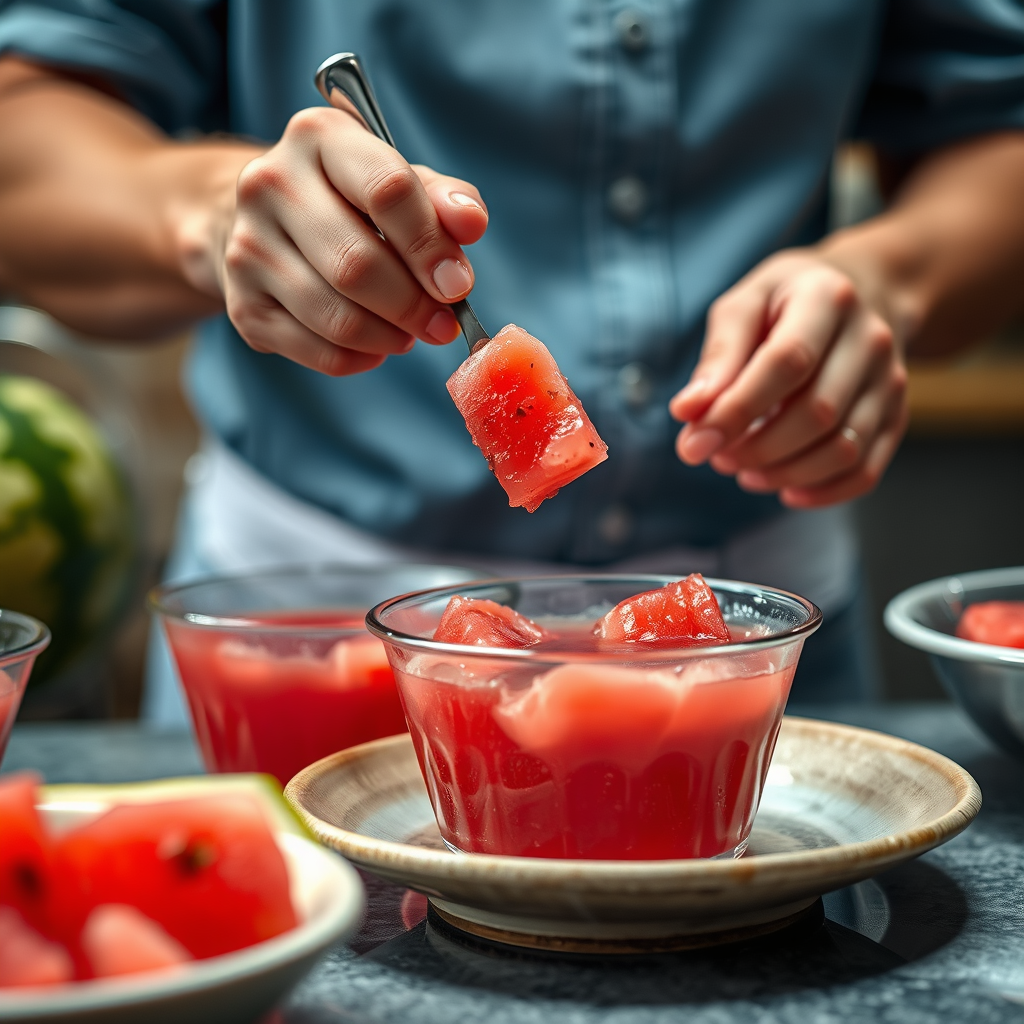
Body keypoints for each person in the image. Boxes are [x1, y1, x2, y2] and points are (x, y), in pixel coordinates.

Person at [1, 2, 1022, 724]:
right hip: (306, 656)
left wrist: (892, 277)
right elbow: (27, 138)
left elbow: (996, 125)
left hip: (749, 648)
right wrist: (212, 213)